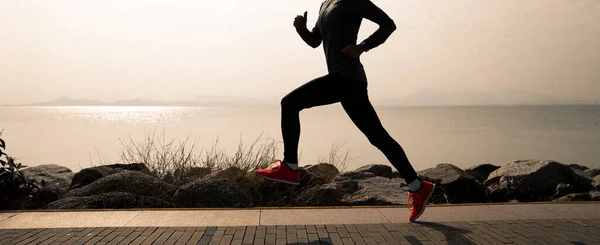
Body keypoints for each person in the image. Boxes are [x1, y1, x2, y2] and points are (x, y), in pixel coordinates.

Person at [254, 0, 436, 222]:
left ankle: (290, 167)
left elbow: (388, 25)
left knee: (289, 103)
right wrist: (301, 29)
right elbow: (315, 41)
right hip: (347, 83)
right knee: (378, 137)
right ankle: (417, 186)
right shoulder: (325, 5)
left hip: (347, 79)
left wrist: (362, 47)